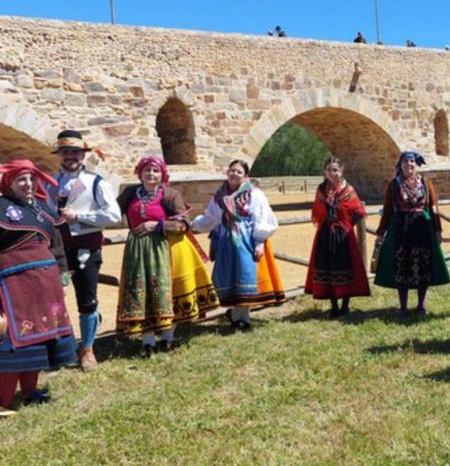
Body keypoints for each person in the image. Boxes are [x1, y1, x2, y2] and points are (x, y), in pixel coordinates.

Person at [116, 156, 218, 356]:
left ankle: (167, 338)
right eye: (147, 170)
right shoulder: (129, 194)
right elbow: (110, 213)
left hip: (168, 250)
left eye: (155, 170)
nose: (151, 174)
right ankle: (147, 341)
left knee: (167, 293)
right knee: (141, 291)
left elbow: (184, 224)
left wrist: (157, 225)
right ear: (140, 173)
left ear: (162, 173)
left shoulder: (170, 195)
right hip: (138, 251)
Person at [0, 160, 78, 416]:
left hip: (46, 284)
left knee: (41, 338)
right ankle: (4, 400)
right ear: (9, 184)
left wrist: (63, 277)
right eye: (21, 179)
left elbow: (57, 247)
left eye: (32, 179)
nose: (28, 184)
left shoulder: (44, 210)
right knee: (15, 342)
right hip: (13, 284)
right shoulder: (1, 208)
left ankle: (31, 392)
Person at [45, 130, 121, 372]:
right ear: (59, 155)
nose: (71, 156)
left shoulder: (97, 182)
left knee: (87, 300)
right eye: (66, 152)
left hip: (85, 248)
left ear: (83, 154)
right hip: (58, 252)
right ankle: (65, 347)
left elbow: (113, 215)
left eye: (75, 152)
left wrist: (80, 216)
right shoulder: (50, 184)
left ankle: (87, 348)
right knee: (56, 298)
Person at [192, 160, 286, 331]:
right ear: (227, 172)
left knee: (245, 276)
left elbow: (262, 217)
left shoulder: (254, 194)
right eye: (232, 170)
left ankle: (243, 319)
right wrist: (194, 224)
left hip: (245, 240)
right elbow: (211, 217)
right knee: (230, 277)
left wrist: (259, 242)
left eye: (239, 172)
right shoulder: (220, 195)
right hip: (226, 241)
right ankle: (238, 319)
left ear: (246, 176)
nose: (234, 174)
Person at [374, 152, 450, 317]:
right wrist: (381, 232)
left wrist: (438, 230)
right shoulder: (394, 185)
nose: (410, 164)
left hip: (422, 229)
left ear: (416, 164)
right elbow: (387, 211)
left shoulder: (425, 183)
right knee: (402, 266)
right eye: (406, 161)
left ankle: (421, 305)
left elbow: (433, 208)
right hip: (402, 230)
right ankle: (403, 307)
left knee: (423, 266)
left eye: (412, 161)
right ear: (400, 164)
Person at [305, 158, 370, 317]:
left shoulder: (348, 190)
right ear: (324, 172)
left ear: (341, 172)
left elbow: (357, 211)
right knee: (327, 267)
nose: (332, 173)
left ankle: (345, 305)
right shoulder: (321, 190)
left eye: (335, 170)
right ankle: (334, 306)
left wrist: (344, 224)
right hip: (325, 234)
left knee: (344, 267)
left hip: (343, 235)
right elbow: (317, 211)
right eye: (329, 170)